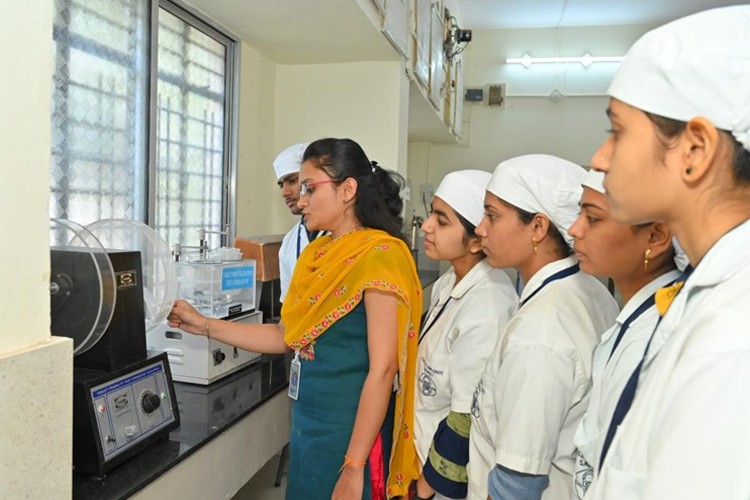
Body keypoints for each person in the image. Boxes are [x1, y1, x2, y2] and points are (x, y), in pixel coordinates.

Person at [169, 138, 423, 499]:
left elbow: (383, 370)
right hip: (308, 424)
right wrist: (206, 325)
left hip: (351, 433)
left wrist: (353, 466)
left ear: (347, 189)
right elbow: (287, 337)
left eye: (309, 187)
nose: (299, 199)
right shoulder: (317, 253)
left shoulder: (380, 255)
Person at [584, 6, 750, 499]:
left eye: (618, 130)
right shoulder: (708, 291)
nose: (601, 157)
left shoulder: (732, 337)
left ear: (695, 150)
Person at [467, 154, 619, 500]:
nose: (480, 228)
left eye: (492, 215)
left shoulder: (540, 335)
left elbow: (517, 483)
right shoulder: (588, 288)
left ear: (537, 227)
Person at [566, 169, 681, 499]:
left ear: (656, 237)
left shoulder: (650, 343)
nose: (575, 229)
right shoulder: (637, 319)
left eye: (593, 218)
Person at [412, 170, 518, 500]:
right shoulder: (450, 281)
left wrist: (424, 490)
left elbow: (464, 421)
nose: (427, 226)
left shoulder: (488, 308)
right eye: (431, 214)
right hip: (421, 457)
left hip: (447, 481)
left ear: (476, 239)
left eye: (442, 221)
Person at [273, 142, 315, 302]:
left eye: (292, 180)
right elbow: (287, 310)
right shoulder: (288, 243)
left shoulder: (342, 231)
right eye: (281, 185)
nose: (285, 192)